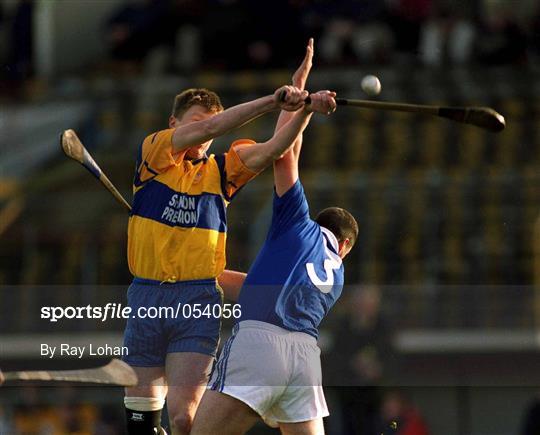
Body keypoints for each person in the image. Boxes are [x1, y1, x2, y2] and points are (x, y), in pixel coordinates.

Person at [123, 43, 333, 435]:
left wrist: (300, 109)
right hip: (146, 298)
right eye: (194, 124)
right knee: (141, 424)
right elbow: (208, 129)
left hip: (197, 300)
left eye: (208, 128)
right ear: (174, 124)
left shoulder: (222, 172)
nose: (202, 136)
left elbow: (275, 150)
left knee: (186, 421)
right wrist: (273, 101)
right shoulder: (154, 155)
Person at [191, 39, 359, 435]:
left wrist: (300, 102)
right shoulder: (336, 276)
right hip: (304, 360)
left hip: (260, 346)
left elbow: (284, 154)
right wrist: (201, 275)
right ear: (345, 246)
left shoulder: (299, 223)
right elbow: (257, 288)